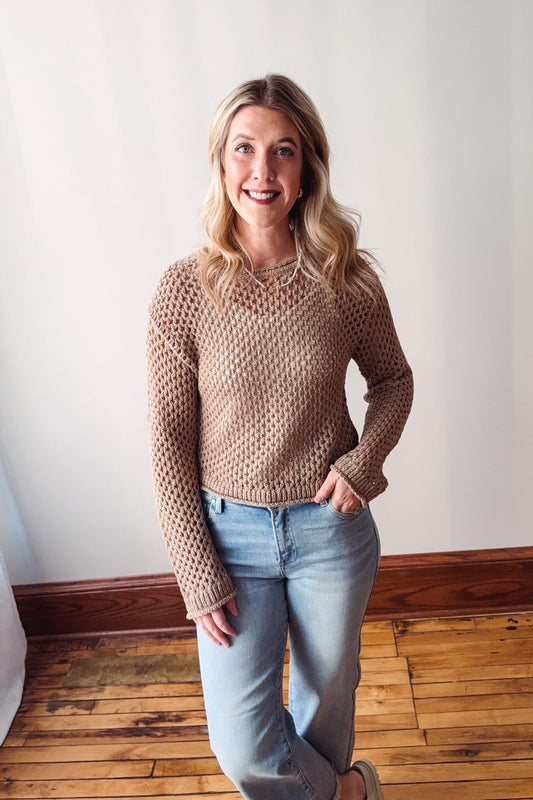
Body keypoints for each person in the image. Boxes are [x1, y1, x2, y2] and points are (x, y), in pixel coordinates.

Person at [147, 74, 413, 800]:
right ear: (220, 161)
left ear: (306, 169)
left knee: (325, 711)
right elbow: (168, 441)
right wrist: (194, 567)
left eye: (282, 151)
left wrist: (362, 465)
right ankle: (348, 793)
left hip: (330, 531)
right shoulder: (183, 290)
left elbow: (393, 381)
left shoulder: (346, 279)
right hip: (227, 538)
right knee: (243, 744)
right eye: (244, 149)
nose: (261, 171)